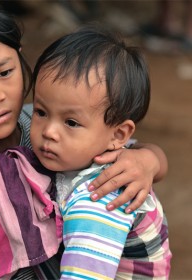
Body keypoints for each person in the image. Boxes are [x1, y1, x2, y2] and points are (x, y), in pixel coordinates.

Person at [0, 0, 168, 279]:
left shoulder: (46, 124)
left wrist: (148, 160)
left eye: (4, 72)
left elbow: (125, 145)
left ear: (20, 59)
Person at [30, 26, 172, 279]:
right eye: (40, 112)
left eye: (71, 122)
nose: (49, 131)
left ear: (118, 136)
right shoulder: (106, 150)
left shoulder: (99, 197)